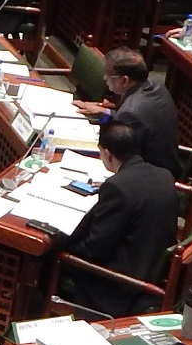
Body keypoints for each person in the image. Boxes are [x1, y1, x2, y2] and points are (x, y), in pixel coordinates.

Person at [49, 121, 180, 318]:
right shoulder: (164, 175)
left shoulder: (118, 187)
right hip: (151, 268)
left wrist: (62, 242)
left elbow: (95, 250)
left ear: (107, 153)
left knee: (48, 256)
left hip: (121, 284)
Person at [75, 49, 180, 177]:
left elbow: (119, 156)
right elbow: (140, 121)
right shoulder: (153, 83)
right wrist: (106, 112)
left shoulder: (130, 113)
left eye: (108, 75)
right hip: (169, 162)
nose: (104, 78)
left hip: (149, 176)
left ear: (124, 80)